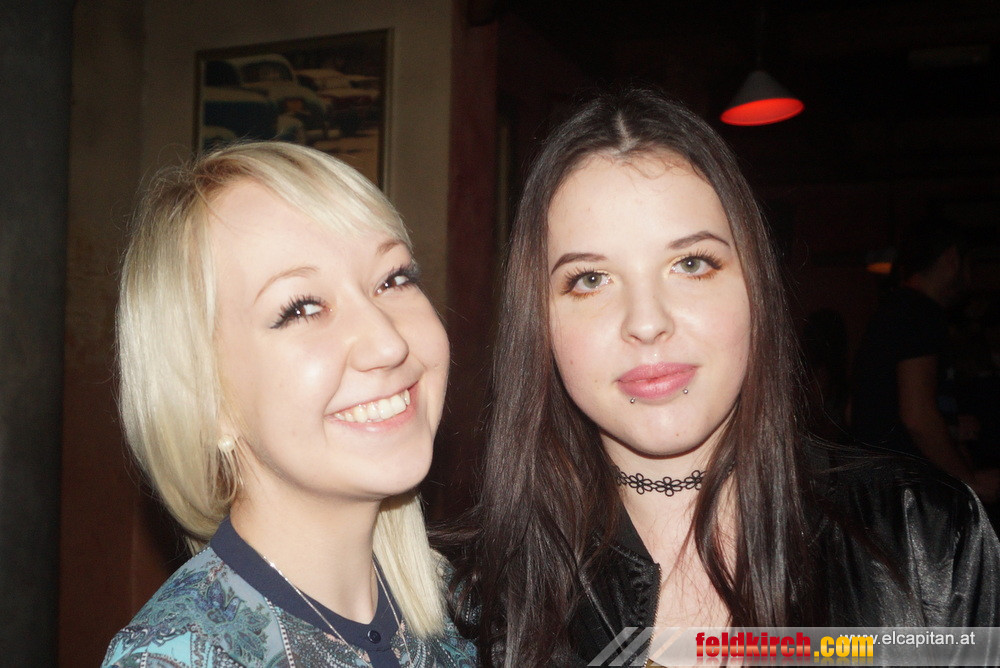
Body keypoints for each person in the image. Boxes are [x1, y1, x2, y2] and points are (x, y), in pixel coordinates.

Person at [448, 88, 1000, 666]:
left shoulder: (928, 542)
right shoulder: (470, 608)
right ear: (538, 322)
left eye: (690, 264)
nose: (646, 322)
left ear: (755, 286)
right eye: (590, 279)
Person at [103, 142, 476, 667]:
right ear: (206, 399)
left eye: (393, 279)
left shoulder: (470, 610)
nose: (387, 343)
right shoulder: (173, 657)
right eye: (301, 308)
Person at [851, 219, 1000, 502]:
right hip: (907, 496)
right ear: (952, 259)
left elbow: (873, 409)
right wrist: (969, 483)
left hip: (884, 490)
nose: (971, 278)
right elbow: (918, 417)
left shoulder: (897, 309)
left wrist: (951, 425)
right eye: (970, 265)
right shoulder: (920, 312)